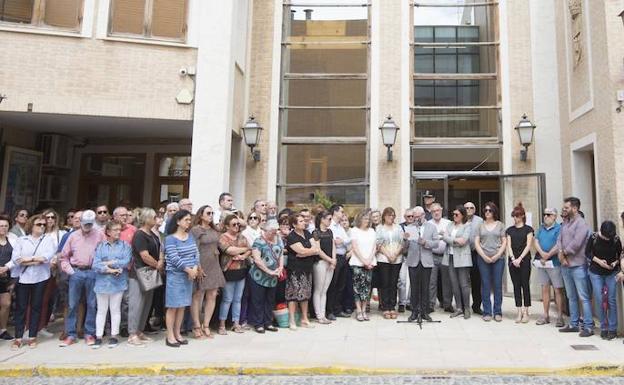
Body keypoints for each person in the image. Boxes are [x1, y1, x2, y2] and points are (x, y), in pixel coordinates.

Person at [59, 210, 105, 347]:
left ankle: (89, 333)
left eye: (90, 225)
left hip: (92, 271)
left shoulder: (99, 235)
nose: (88, 227)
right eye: (85, 224)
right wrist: (70, 271)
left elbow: (104, 253)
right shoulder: (73, 236)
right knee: (72, 304)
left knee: (92, 304)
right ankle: (71, 334)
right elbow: (63, 256)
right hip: (76, 271)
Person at [10, 214, 56, 349]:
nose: (42, 226)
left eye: (44, 224)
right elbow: (17, 259)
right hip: (24, 278)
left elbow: (46, 257)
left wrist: (28, 259)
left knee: (36, 306)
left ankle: (32, 336)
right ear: (32, 225)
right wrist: (35, 260)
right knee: (21, 308)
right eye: (39, 224)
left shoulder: (48, 240)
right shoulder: (22, 240)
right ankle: (18, 337)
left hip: (40, 277)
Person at [556, 197, 593, 337]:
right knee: (571, 296)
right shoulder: (565, 223)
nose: (564, 209)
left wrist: (564, 254)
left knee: (583, 296)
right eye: (564, 207)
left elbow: (577, 243)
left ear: (575, 208)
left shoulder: (581, 224)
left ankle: (588, 326)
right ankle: (573, 323)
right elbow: (559, 239)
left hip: (578, 265)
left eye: (567, 207)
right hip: (565, 265)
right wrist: (560, 253)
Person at [92, 220, 131, 349]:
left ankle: (114, 335)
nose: (118, 232)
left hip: (118, 282)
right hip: (102, 282)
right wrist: (110, 269)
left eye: (119, 229)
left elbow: (126, 261)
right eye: (115, 230)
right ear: (108, 232)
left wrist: (109, 262)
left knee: (115, 309)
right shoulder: (100, 246)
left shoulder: (125, 245)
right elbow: (95, 264)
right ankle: (98, 336)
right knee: (101, 310)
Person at [163, 210, 199, 348]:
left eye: (190, 220)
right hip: (176, 276)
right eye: (186, 220)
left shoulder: (190, 237)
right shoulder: (170, 239)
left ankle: (178, 333)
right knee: (173, 306)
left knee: (182, 306)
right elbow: (173, 257)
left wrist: (195, 267)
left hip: (189, 276)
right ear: (178, 221)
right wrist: (188, 269)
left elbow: (196, 253)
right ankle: (170, 335)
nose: (189, 222)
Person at [128, 208, 163, 347]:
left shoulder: (153, 234)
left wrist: (160, 261)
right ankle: (132, 334)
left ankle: (140, 331)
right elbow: (144, 255)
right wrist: (157, 264)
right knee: (136, 304)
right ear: (147, 219)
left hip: (151, 273)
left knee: (146, 304)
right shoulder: (139, 235)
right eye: (154, 217)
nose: (156, 219)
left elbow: (160, 249)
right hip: (139, 274)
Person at [190, 205, 225, 339]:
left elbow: (219, 245)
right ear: (201, 215)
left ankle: (206, 325)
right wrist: (198, 266)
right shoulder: (196, 230)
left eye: (212, 213)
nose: (211, 215)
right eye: (208, 213)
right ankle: (196, 326)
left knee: (212, 295)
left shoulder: (214, 230)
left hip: (214, 264)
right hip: (201, 264)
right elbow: (194, 249)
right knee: (198, 296)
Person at [586, 220, 621, 340]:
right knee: (600, 299)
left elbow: (620, 255)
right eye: (606, 237)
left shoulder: (615, 239)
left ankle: (613, 329)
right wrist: (599, 262)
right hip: (596, 271)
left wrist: (614, 263)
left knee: (611, 299)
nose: (608, 240)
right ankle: (603, 327)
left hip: (611, 272)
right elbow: (587, 253)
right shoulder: (594, 237)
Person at [404, 206, 439, 322]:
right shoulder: (409, 227)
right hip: (413, 261)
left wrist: (425, 242)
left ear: (424, 215)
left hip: (426, 261)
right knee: (414, 287)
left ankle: (424, 312)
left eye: (419, 216)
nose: (417, 219)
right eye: (415, 217)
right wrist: (405, 240)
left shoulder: (432, 227)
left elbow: (436, 243)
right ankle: (414, 312)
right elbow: (405, 248)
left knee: (425, 287)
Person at [218, 214, 251, 335]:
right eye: (234, 224)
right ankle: (222, 324)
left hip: (241, 271)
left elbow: (250, 249)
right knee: (227, 299)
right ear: (227, 226)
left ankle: (236, 323)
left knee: (238, 299)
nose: (237, 226)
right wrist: (242, 249)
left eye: (238, 224)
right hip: (228, 271)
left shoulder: (241, 237)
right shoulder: (223, 237)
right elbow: (228, 250)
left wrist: (243, 255)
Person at [249, 219, 283, 333]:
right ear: (266, 230)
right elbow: (257, 260)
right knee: (258, 300)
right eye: (272, 232)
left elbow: (281, 253)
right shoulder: (258, 241)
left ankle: (268, 322)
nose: (274, 234)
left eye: (275, 232)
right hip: (259, 276)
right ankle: (258, 323)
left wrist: (280, 267)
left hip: (273, 277)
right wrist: (269, 271)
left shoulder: (277, 239)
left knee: (270, 300)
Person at [474, 202, 507, 322]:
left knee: (497, 285)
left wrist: (498, 255)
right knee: (485, 284)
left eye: (490, 210)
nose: (487, 212)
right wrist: (483, 255)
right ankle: (487, 312)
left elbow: (504, 241)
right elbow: (477, 242)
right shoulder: (480, 226)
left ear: (494, 212)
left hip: (498, 259)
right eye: (486, 210)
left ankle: (497, 312)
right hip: (483, 258)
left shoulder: (500, 225)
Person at [285, 213, 318, 330]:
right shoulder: (291, 236)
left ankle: (305, 319)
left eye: (304, 221)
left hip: (307, 268)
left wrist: (306, 252)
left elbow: (316, 249)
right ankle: (292, 320)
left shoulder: (307, 233)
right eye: (300, 221)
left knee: (305, 294)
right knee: (293, 295)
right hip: (295, 269)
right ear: (294, 224)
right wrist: (308, 251)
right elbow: (301, 251)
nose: (304, 222)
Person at [534, 208, 564, 327]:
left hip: (554, 263)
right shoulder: (541, 227)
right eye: (544, 214)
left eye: (548, 214)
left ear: (555, 216)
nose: (545, 216)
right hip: (542, 263)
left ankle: (560, 316)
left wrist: (547, 255)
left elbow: (558, 244)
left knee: (557, 290)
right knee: (544, 288)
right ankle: (545, 315)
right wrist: (542, 254)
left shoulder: (559, 228)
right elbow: (536, 241)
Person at [441, 206, 472, 319]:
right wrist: (454, 240)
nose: (454, 216)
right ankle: (459, 308)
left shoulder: (467, 226)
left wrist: (449, 239)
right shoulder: (450, 225)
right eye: (453, 214)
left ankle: (467, 308)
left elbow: (463, 241)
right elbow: (444, 237)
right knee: (454, 284)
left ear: (462, 215)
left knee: (464, 284)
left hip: (462, 258)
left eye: (457, 214)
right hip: (450, 256)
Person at [506, 203, 534, 323]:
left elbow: (528, 245)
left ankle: (526, 311)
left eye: (517, 216)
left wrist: (520, 258)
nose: (515, 218)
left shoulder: (528, 229)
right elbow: (509, 245)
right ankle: (518, 311)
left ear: (522, 216)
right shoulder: (509, 230)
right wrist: (513, 259)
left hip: (524, 260)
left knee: (525, 285)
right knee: (516, 286)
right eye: (514, 216)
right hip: (513, 261)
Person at [348, 210, 377, 321]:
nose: (367, 221)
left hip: (370, 262)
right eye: (365, 219)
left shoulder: (372, 231)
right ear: (360, 219)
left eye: (368, 219)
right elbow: (355, 247)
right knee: (357, 287)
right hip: (357, 262)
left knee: (367, 288)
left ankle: (364, 310)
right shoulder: (354, 230)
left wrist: (369, 260)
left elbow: (374, 246)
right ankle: (359, 310)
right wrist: (363, 261)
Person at [376, 207, 404, 319]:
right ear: (384, 216)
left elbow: (402, 243)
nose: (391, 217)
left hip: (397, 259)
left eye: (393, 215)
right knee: (385, 283)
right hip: (383, 259)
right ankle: (385, 307)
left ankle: (392, 307)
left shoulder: (398, 228)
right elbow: (378, 244)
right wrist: (388, 255)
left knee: (393, 283)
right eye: (388, 215)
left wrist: (395, 254)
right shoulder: (379, 228)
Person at [427, 203, 453, 313]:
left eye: (438, 210)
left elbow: (453, 238)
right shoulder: (427, 224)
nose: (436, 213)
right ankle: (430, 304)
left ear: (441, 210)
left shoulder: (448, 223)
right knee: (432, 282)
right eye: (433, 211)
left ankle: (447, 304)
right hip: (432, 256)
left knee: (447, 281)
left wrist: (445, 236)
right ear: (431, 212)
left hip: (445, 255)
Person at [327, 204, 351, 319]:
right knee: (333, 285)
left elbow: (346, 240)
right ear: (335, 212)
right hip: (334, 256)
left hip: (343, 257)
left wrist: (343, 241)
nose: (342, 213)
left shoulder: (340, 227)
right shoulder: (330, 226)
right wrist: (342, 241)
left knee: (341, 285)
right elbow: (335, 242)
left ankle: (337, 309)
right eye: (341, 211)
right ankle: (330, 310)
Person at [311, 211, 336, 324]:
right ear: (322, 219)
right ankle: (319, 315)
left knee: (325, 290)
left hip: (330, 262)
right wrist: (329, 259)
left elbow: (333, 246)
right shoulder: (316, 232)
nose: (330, 221)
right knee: (318, 289)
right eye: (329, 219)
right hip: (320, 262)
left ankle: (323, 313)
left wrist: (334, 259)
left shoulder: (330, 231)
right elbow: (318, 249)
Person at [464, 201, 484, 315]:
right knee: (463, 281)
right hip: (463, 253)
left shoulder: (480, 221)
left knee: (476, 280)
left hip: (476, 253)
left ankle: (476, 305)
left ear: (475, 209)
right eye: (467, 208)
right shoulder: (460, 219)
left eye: (472, 207)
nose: (469, 209)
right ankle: (463, 305)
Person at [0, 215, 17, 341]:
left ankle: (3, 330)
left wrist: (7, 268)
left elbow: (16, 258)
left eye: (6, 226)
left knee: (6, 304)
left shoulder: (12, 240)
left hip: (6, 277)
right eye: (1, 226)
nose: (3, 228)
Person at [398, 208, 415, 313]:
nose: (411, 218)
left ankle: (410, 302)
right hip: (403, 256)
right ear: (405, 217)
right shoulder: (400, 227)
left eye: (412, 216)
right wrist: (404, 239)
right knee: (402, 281)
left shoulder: (418, 227)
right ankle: (401, 303)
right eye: (408, 216)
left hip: (414, 256)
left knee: (413, 281)